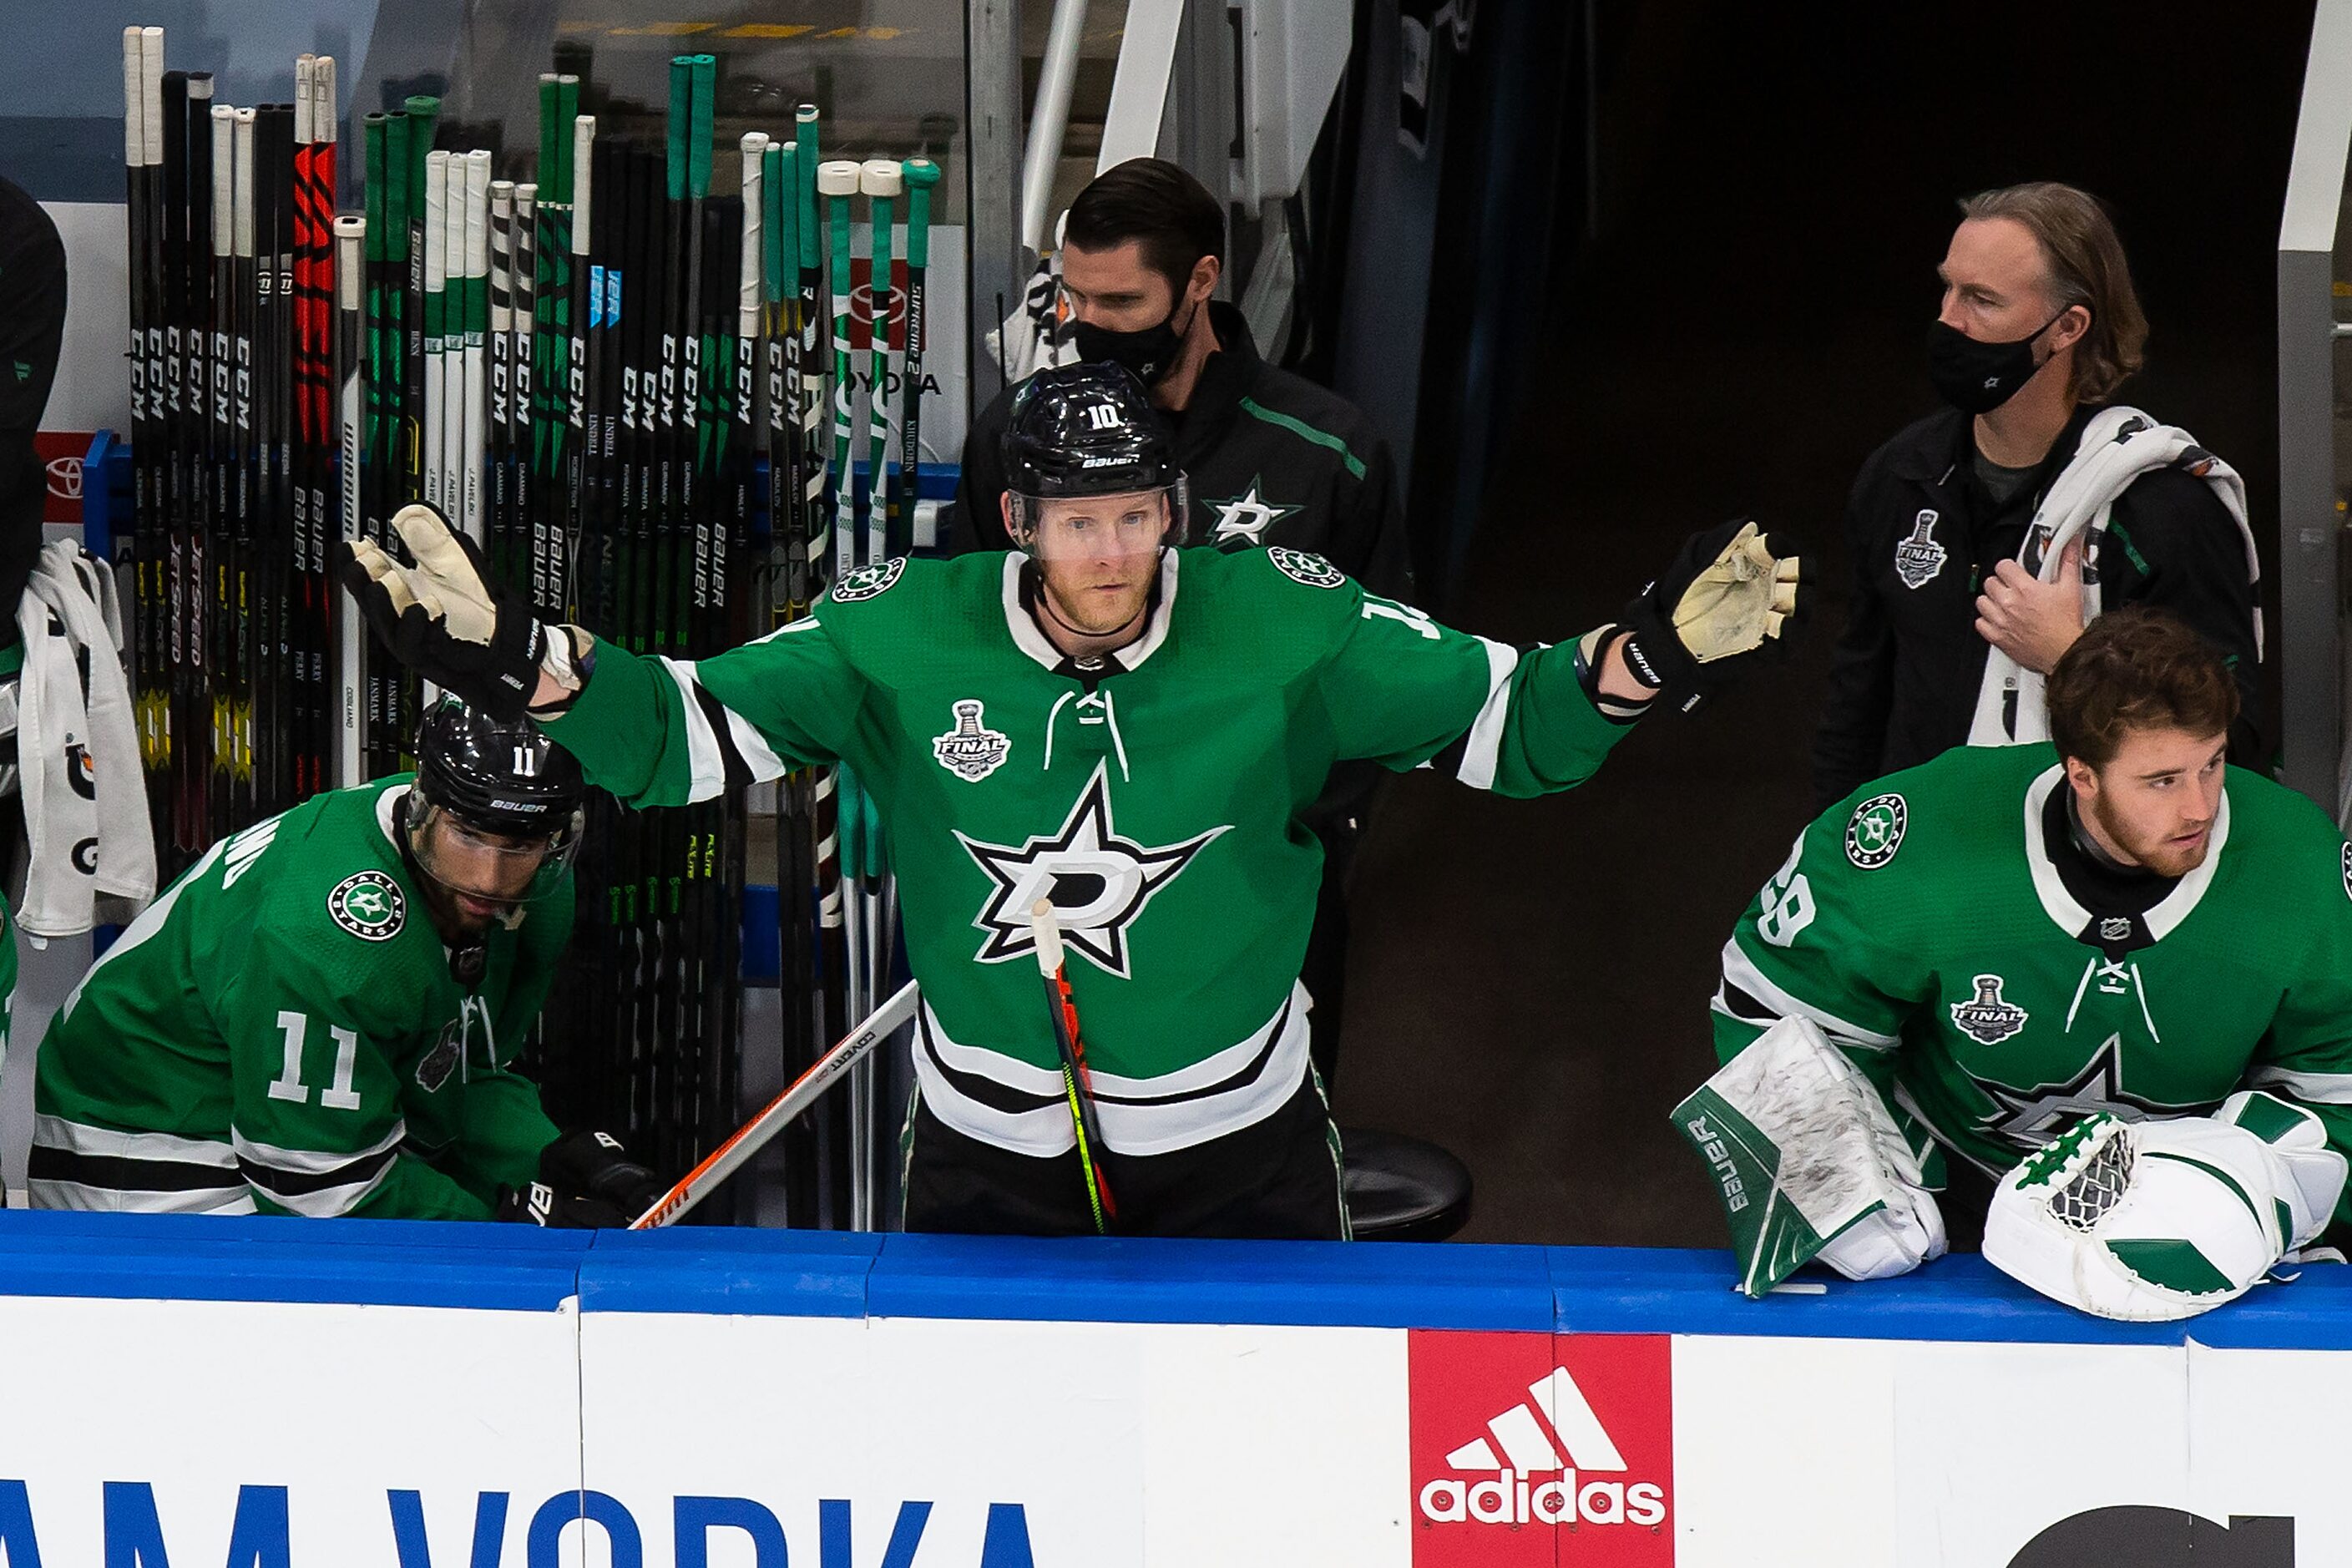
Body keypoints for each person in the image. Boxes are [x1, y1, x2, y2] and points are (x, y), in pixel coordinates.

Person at [341, 362, 1805, 1240]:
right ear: (1018, 523)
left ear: (1171, 505)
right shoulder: (897, 629)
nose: (1109, 551)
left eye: (1133, 513)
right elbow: (688, 731)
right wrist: (526, 662)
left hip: (1244, 1150)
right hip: (988, 1158)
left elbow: (1508, 722)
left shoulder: (1293, 619)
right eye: (1075, 520)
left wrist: (1647, 654)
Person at [1710, 609, 2351, 1292]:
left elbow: (2339, 1082)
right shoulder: (1922, 841)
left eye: (2213, 763)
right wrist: (1833, 1182)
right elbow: (1772, 1003)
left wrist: (2249, 1191)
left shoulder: (2300, 868)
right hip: (1947, 1194)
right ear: (2081, 775)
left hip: (2180, 1211)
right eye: (2162, 780)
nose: (2198, 806)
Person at [953, 157, 1409, 1100]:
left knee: (1249, 1177)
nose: (1087, 327)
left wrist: (1287, 834)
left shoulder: (1328, 452)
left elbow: (1386, 682)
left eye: (1120, 301)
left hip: (1250, 895)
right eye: (1072, 298)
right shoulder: (1014, 436)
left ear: (1201, 280)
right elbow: (965, 640)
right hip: (1043, 884)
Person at [23, 697, 660, 1225]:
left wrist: (548, 1158)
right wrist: (503, 1223)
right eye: (468, 836)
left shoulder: (530, 895)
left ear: (555, 839)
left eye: (518, 845)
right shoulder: (329, 939)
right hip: (141, 1151)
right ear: (421, 805)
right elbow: (319, 1189)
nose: (488, 879)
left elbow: (451, 1075)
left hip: (266, 1135)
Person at [1813, 181, 2260, 811]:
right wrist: (1830, 853)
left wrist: (2074, 658)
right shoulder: (1899, 474)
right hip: (1920, 865)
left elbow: (2235, 745)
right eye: (1947, 287)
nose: (1948, 319)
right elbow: (1857, 702)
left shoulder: (2164, 508)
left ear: (2066, 327)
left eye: (1981, 300)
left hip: (2084, 877)